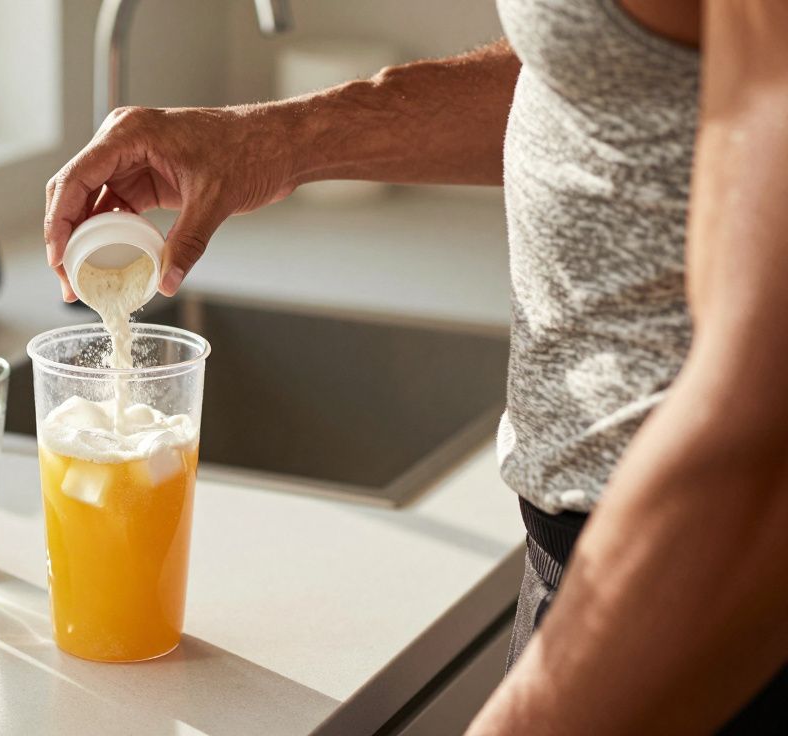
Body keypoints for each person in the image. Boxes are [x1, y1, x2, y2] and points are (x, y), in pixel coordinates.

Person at [44, 1, 788, 733]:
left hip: (697, 583)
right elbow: (597, 68)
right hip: (590, 553)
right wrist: (274, 138)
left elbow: (766, 438)